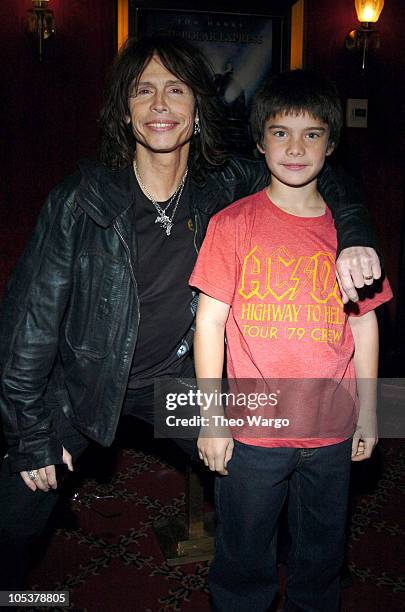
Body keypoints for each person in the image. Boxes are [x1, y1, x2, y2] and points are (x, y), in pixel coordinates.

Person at [0, 36, 380, 590]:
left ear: (197, 109)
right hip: (84, 386)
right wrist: (31, 433)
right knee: (14, 517)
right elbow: (27, 330)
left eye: (175, 90)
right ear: (124, 111)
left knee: (255, 482)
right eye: (143, 91)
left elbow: (322, 177)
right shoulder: (81, 197)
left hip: (172, 385)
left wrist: (355, 237)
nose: (159, 105)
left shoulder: (223, 184)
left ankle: (289, 578)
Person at [190, 69, 392, 611]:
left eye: (312, 134)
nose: (296, 147)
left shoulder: (351, 239)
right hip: (255, 432)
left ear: (332, 142)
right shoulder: (233, 224)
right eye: (281, 132)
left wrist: (370, 414)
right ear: (259, 141)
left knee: (321, 560)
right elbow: (209, 322)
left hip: (331, 429)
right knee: (242, 558)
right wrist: (212, 419)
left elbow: (364, 323)